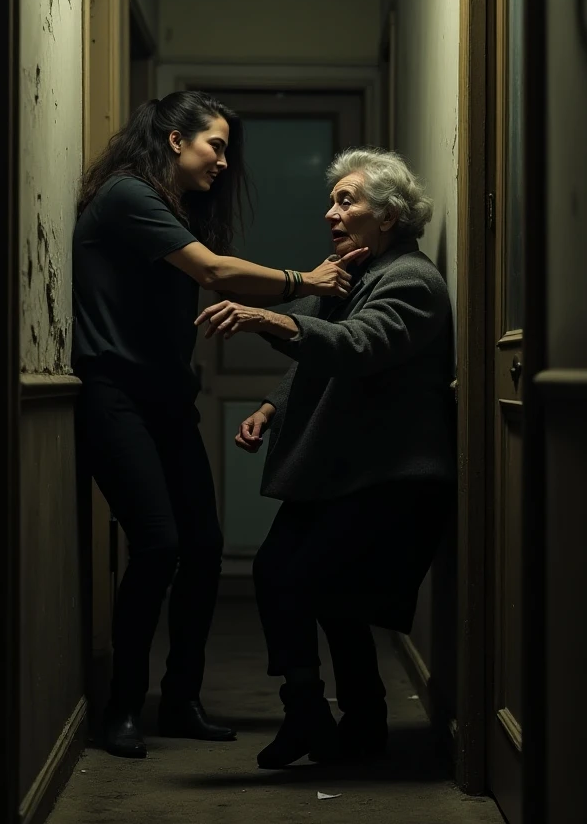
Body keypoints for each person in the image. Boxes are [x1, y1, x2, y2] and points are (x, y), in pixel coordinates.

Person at [72, 92, 366, 759]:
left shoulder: (174, 207)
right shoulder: (126, 195)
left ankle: (180, 700)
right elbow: (213, 271)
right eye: (217, 146)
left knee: (202, 546)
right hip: (112, 393)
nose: (225, 163)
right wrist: (304, 279)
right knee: (156, 544)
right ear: (175, 140)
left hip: (166, 398)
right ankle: (122, 707)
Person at [196, 147, 456, 769]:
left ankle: (315, 715)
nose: (331, 212)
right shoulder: (359, 272)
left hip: (391, 476)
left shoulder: (411, 281)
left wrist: (262, 314)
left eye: (348, 200)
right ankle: (344, 720)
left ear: (388, 215)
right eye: (332, 200)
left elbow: (355, 345)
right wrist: (272, 405)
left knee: (301, 580)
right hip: (353, 469)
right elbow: (321, 348)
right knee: (315, 586)